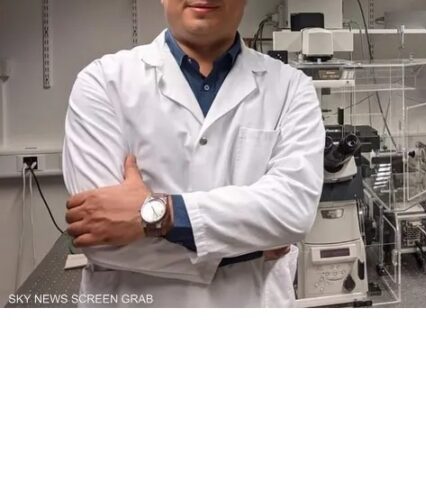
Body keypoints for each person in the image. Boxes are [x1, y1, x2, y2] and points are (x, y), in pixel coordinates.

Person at [62, 0, 325, 307]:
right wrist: (252, 248)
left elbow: (293, 212)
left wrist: (160, 216)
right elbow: (101, 237)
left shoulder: (292, 88)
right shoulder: (102, 83)